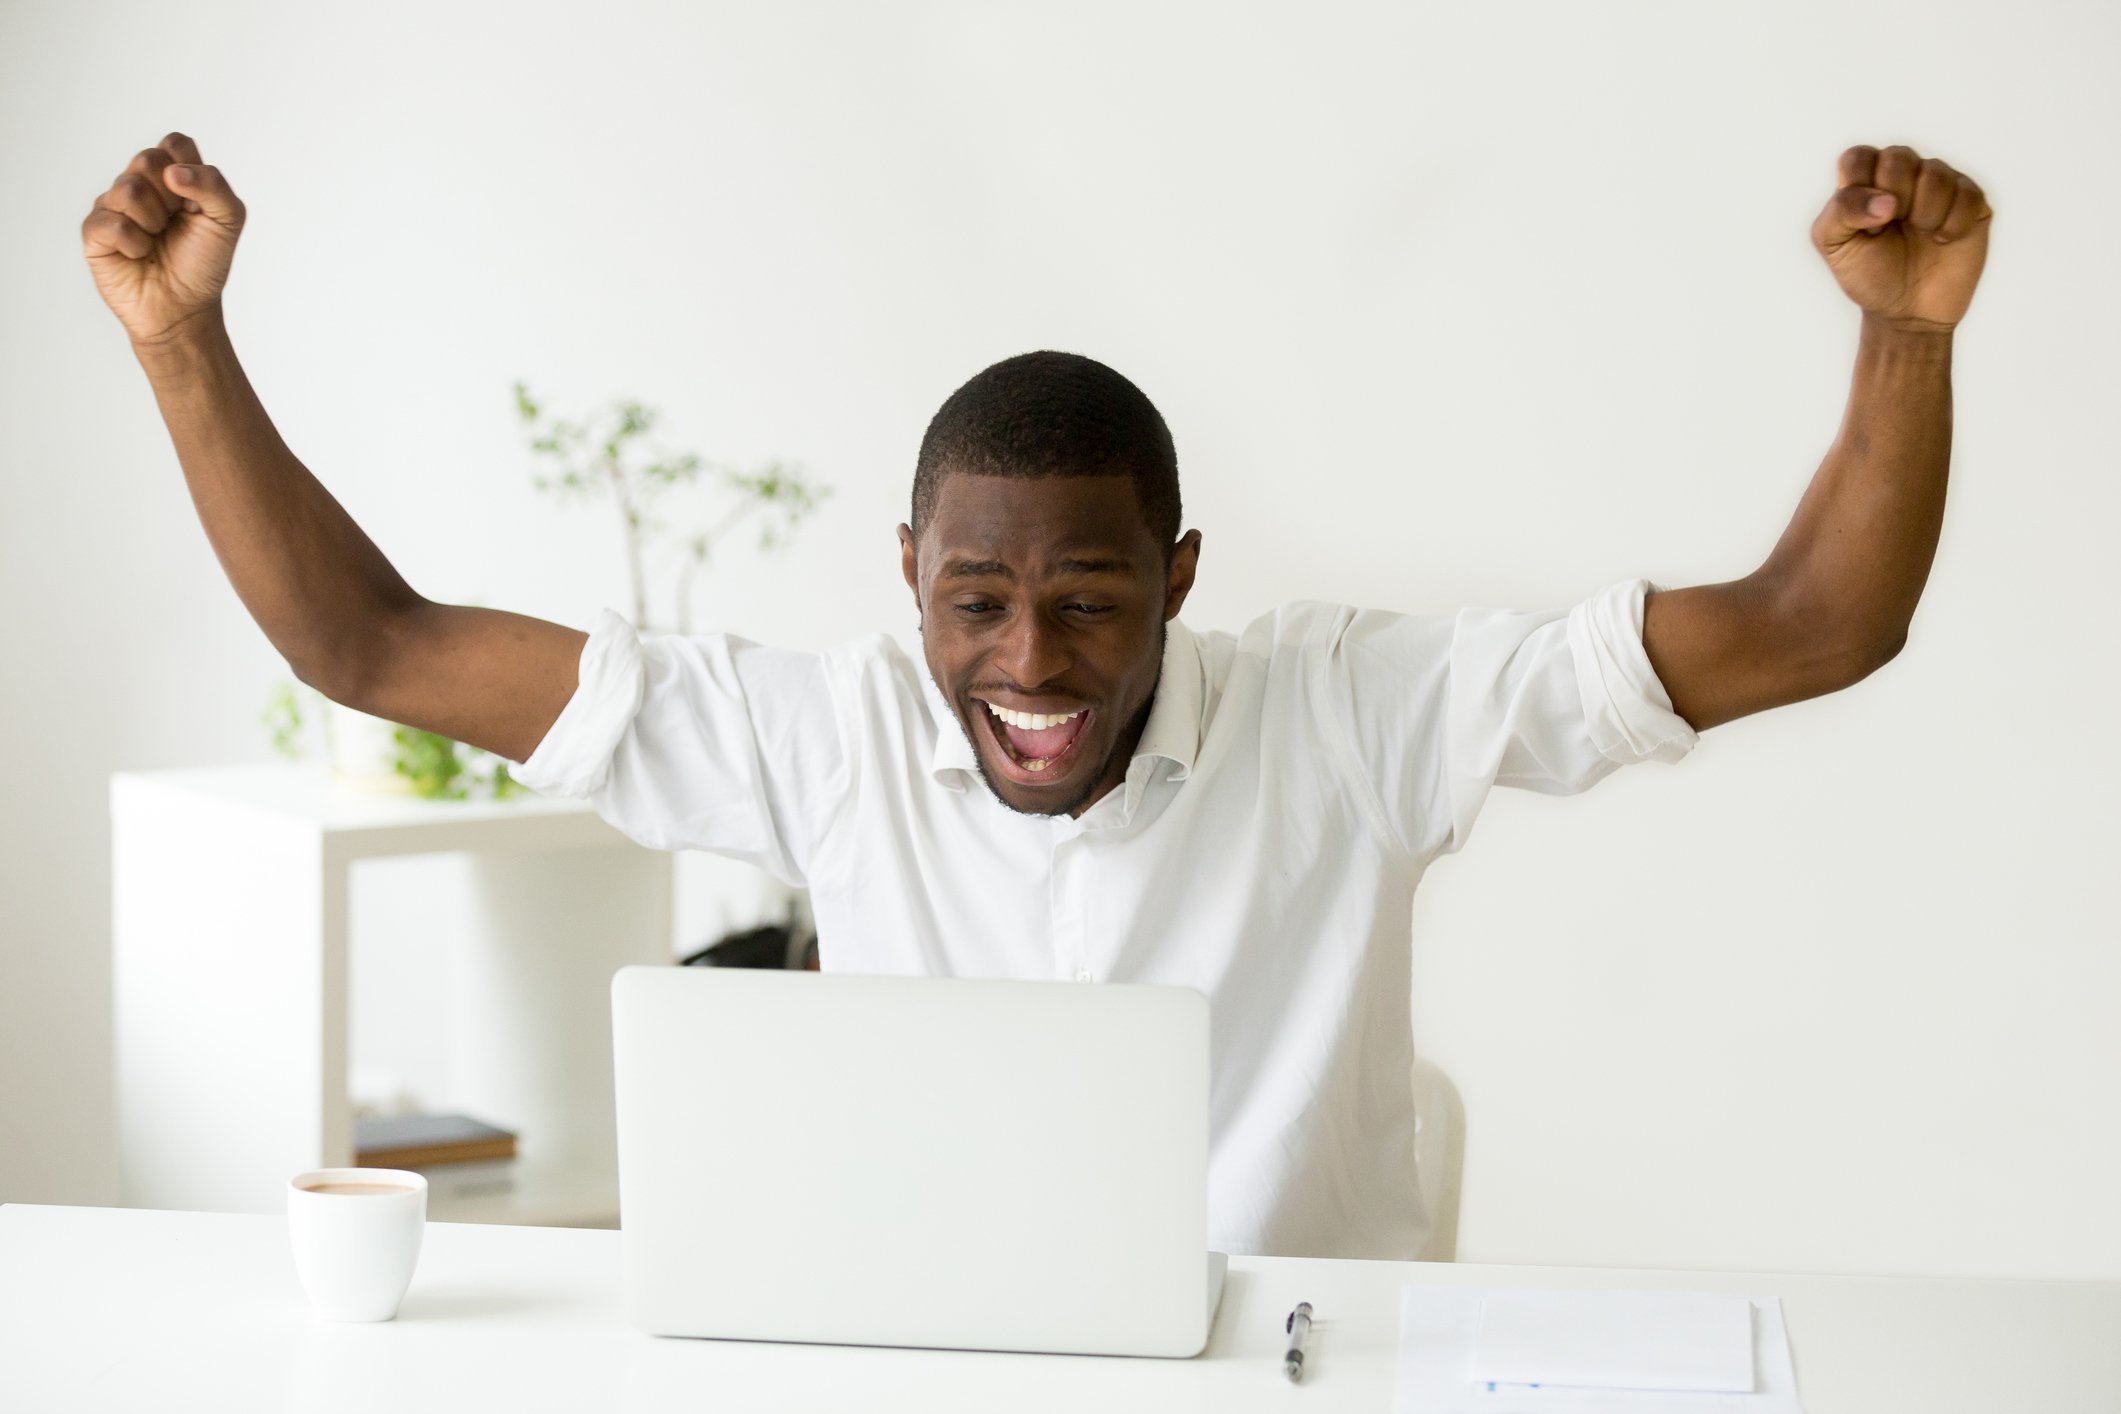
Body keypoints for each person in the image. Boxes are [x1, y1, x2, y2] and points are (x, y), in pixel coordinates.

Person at [82, 132, 1992, 1260]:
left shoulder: (1348, 712)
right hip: (941, 1361)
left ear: (1175, 574)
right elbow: (375, 648)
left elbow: (1817, 621)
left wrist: (1901, 337)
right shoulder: (819, 733)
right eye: (975, 597)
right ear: (905, 571)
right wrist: (184, 347)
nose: (1030, 662)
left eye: (1088, 597)